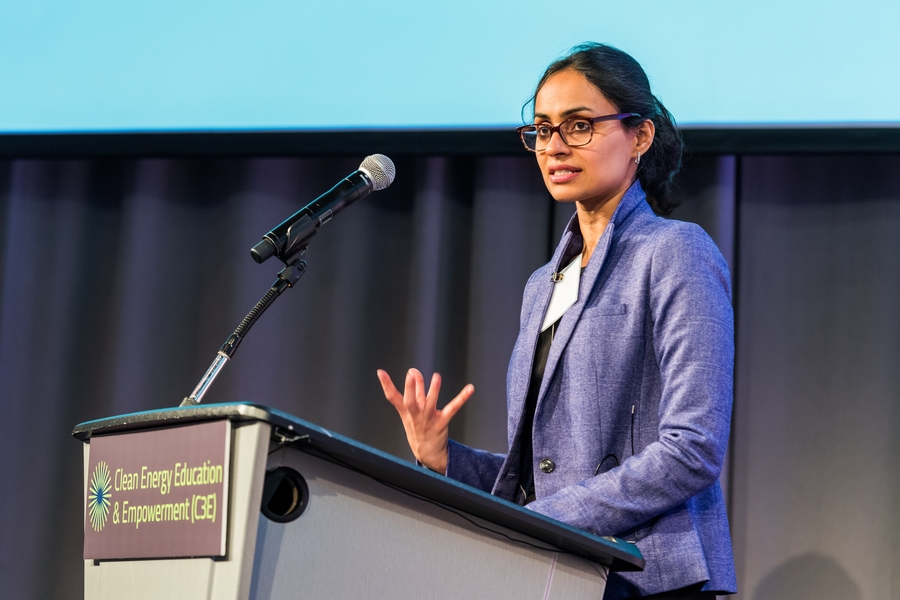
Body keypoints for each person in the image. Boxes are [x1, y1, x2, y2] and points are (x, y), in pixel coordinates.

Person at [377, 42, 736, 600]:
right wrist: (446, 459)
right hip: (563, 576)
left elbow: (693, 449)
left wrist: (548, 520)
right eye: (543, 129)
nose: (555, 147)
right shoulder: (543, 283)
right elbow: (548, 476)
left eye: (579, 125)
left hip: (649, 578)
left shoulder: (674, 251)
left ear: (639, 136)